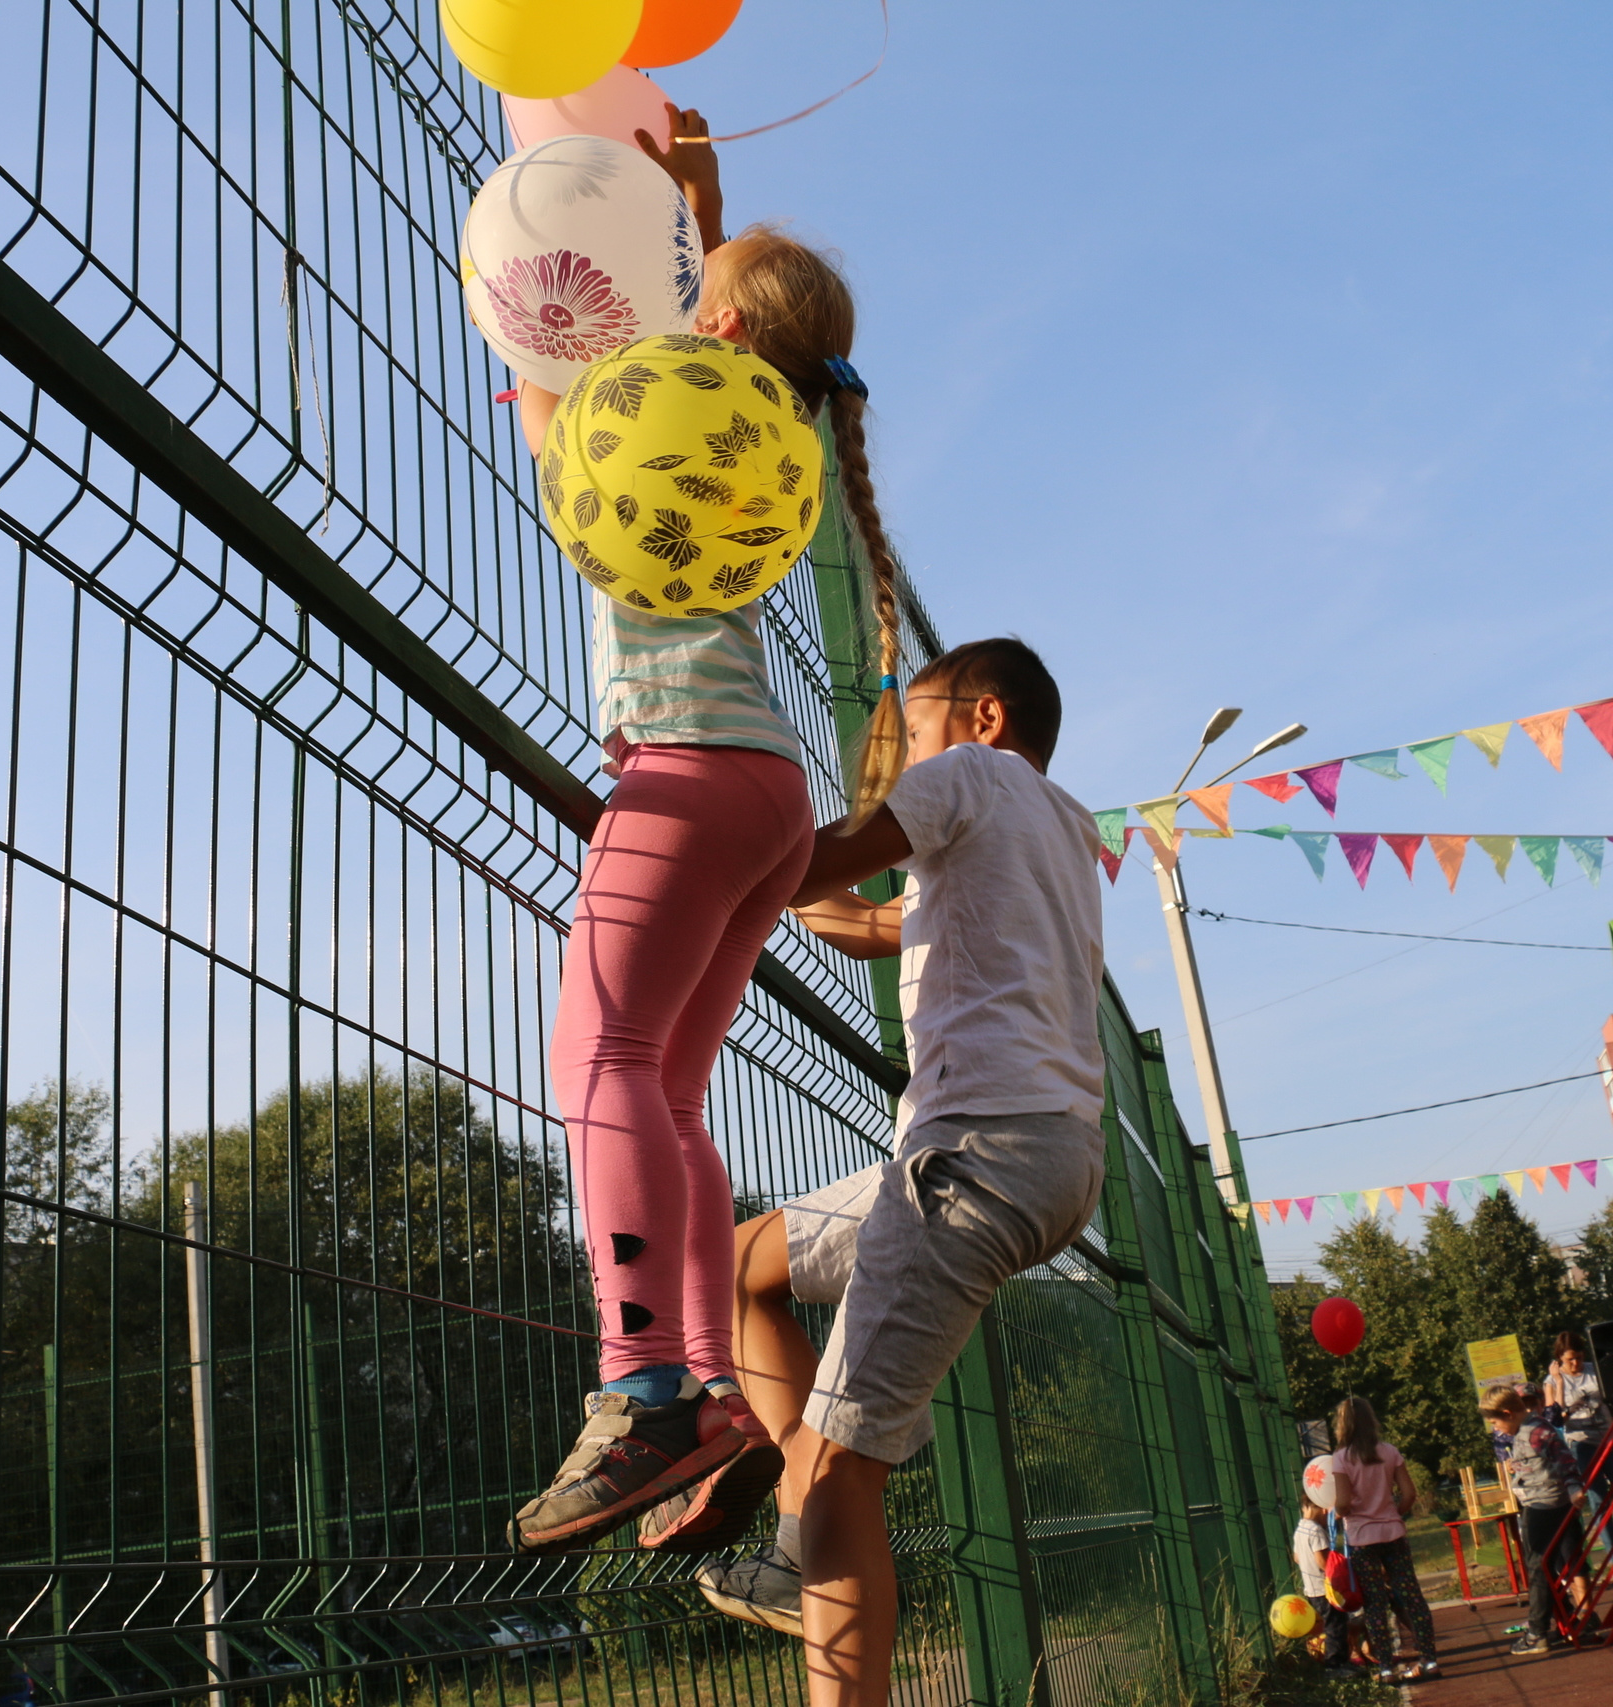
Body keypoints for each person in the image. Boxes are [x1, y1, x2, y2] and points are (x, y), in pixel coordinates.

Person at [508, 117, 906, 1556]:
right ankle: (718, 1391)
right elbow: (689, 330)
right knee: (665, 1090)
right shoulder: (767, 425)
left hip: (683, 773)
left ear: (717, 319)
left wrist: (538, 345)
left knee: (601, 1066)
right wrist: (697, 204)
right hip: (764, 795)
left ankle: (646, 1388)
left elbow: (565, 445)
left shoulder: (684, 402)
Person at [692, 639, 1110, 1707]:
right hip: (1039, 1152)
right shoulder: (1057, 831)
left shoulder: (968, 777)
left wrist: (714, 826)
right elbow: (852, 916)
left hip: (979, 1150)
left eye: (918, 733)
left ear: (981, 722)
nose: (908, 760)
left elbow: (815, 867)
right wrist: (803, 864)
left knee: (842, 1478)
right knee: (748, 1265)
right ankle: (801, 1517)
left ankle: (807, 1527)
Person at [1482, 1389, 1600, 1655]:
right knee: (1543, 1565)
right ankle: (1564, 1619)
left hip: (1546, 1504)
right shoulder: (1525, 1432)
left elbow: (1565, 1461)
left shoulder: (1537, 1432)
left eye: (1496, 1423)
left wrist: (1573, 1488)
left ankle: (1537, 1632)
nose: (1497, 1430)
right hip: (1538, 1502)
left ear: (1507, 1414)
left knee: (1538, 1566)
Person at [1330, 1396, 1439, 1683]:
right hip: (1393, 1533)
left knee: (1375, 1604)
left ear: (1343, 1425)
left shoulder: (1341, 1458)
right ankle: (1429, 1660)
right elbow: (1409, 1493)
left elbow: (1341, 1502)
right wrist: (1394, 1513)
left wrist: (1342, 1511)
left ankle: (1387, 1668)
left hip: (1362, 1539)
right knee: (1412, 1596)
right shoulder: (1389, 1452)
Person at [1296, 1495, 1355, 1671]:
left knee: (1330, 1625)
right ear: (1322, 1509)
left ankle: (1339, 1662)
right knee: (1336, 1626)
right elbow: (1322, 1560)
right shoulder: (1316, 1530)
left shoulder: (1300, 1529)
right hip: (1325, 1589)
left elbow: (1297, 1557)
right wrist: (1336, 1571)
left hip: (1311, 1589)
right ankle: (1335, 1665)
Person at [1544, 1331, 1607, 1479]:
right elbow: (1556, 1419)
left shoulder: (1595, 1370)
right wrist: (1559, 1382)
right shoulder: (1552, 1382)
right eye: (1569, 1360)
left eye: (1579, 1358)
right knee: (1595, 1488)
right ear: (1560, 1358)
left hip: (1608, 1436)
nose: (1575, 1363)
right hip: (1580, 1440)